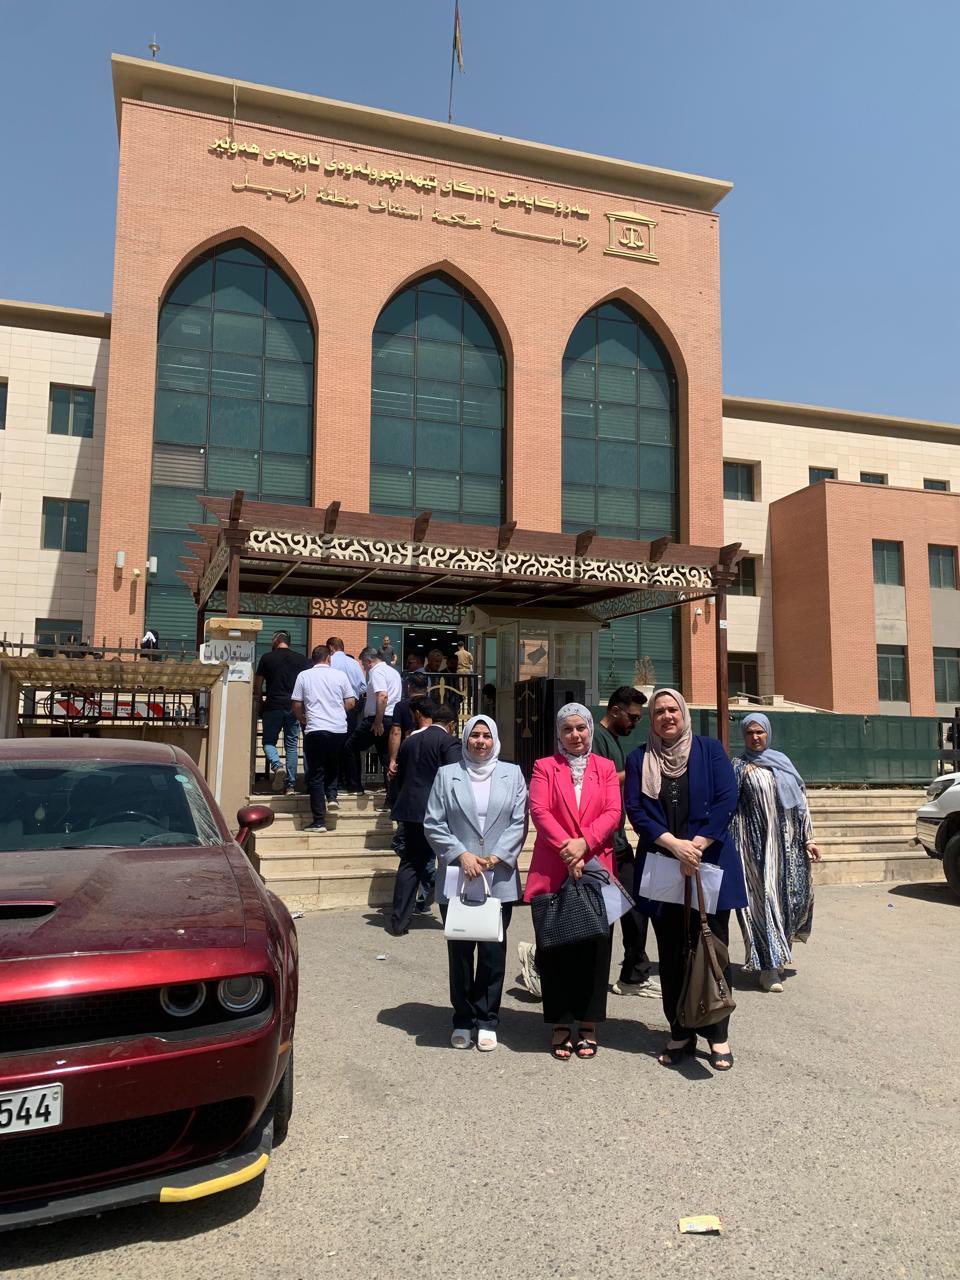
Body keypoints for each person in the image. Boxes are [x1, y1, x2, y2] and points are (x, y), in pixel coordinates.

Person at [624, 688, 747, 1072]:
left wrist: (698, 843)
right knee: (673, 952)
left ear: (683, 713)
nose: (666, 716)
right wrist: (674, 845)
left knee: (712, 948)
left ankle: (717, 1033)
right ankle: (680, 1031)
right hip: (664, 863)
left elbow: (727, 798)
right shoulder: (639, 758)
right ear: (651, 719)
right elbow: (636, 809)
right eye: (658, 711)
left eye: (672, 709)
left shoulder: (709, 751)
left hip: (708, 863)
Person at [425, 715, 527, 1051]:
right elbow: (433, 823)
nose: (480, 741)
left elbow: (518, 821)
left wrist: (497, 856)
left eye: (486, 736)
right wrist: (461, 854)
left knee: (492, 952)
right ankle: (463, 1018)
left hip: (498, 876)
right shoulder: (447, 775)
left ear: (494, 740)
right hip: (459, 875)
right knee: (460, 950)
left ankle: (487, 1018)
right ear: (465, 739)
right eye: (475, 735)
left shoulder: (512, 774)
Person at [525, 704, 621, 1060]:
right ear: (559, 733)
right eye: (568, 729)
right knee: (556, 947)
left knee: (595, 948)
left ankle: (589, 1021)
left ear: (590, 729)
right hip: (554, 866)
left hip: (596, 865)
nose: (575, 735)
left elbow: (613, 812)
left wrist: (584, 845)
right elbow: (539, 811)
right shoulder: (544, 767)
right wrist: (569, 850)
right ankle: (562, 1022)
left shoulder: (605, 767)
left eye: (581, 728)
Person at [731, 713, 821, 992]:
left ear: (768, 733)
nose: (755, 737)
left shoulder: (782, 762)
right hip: (755, 849)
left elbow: (801, 803)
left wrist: (809, 839)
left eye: (760, 732)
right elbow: (730, 807)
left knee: (791, 901)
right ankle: (767, 968)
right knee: (762, 904)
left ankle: (779, 953)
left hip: (789, 847)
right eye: (749, 733)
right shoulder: (739, 767)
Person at [590, 686, 658, 999]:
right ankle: (541, 961)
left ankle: (634, 974)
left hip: (617, 842)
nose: (634, 723)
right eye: (632, 717)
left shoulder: (613, 740)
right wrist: (634, 770)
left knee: (634, 908)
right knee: (597, 916)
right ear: (615, 710)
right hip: (599, 844)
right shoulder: (596, 738)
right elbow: (595, 781)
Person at [388, 701, 461, 936]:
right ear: (452, 724)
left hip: (411, 811)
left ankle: (399, 922)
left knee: (410, 863)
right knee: (450, 863)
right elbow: (454, 778)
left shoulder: (409, 741)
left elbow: (401, 776)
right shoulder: (449, 743)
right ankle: (453, 920)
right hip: (438, 813)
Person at [291, 645, 356, 833]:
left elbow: (296, 704)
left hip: (315, 728)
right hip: (338, 729)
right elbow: (351, 702)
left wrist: (302, 718)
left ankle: (319, 820)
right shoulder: (340, 676)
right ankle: (332, 796)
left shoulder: (304, 676)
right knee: (333, 764)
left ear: (313, 659)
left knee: (316, 773)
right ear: (329, 658)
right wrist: (337, 712)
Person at [254, 631, 310, 794]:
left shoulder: (267, 658)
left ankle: (277, 765)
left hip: (273, 705)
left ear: (277, 640)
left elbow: (258, 684)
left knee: (268, 742)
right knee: (291, 746)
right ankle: (290, 785)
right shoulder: (301, 659)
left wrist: (261, 702)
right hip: (294, 707)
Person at [344, 646, 403, 795]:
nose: (364, 668)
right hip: (392, 718)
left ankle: (355, 786)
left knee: (350, 746)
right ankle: (392, 795)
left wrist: (377, 721)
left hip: (378, 719)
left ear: (369, 661)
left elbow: (382, 696)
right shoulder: (393, 672)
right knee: (386, 756)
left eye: (364, 665)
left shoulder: (377, 672)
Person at [326, 636, 366, 794]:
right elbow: (363, 687)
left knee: (334, 744)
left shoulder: (330, 662)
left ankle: (336, 782)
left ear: (331, 647)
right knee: (350, 745)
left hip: (334, 706)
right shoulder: (354, 663)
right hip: (353, 707)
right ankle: (354, 783)